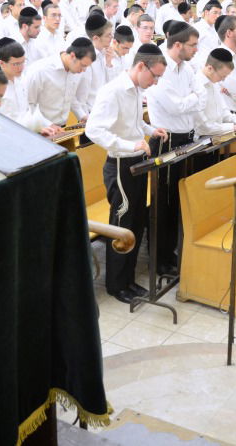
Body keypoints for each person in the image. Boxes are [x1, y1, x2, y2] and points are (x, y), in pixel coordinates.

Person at [85, 43, 168, 303]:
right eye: (154, 76)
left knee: (135, 221)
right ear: (141, 66)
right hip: (120, 166)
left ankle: (129, 279)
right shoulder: (113, 91)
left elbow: (131, 123)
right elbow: (94, 130)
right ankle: (116, 284)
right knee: (121, 224)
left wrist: (149, 130)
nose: (155, 83)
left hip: (136, 163)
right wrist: (129, 144)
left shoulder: (135, 89)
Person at [144, 21, 202, 276]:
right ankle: (159, 259)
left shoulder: (186, 68)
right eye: (192, 45)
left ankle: (171, 253)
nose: (196, 50)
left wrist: (190, 100)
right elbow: (175, 107)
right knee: (163, 203)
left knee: (177, 200)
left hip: (186, 137)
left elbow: (197, 96)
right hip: (166, 139)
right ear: (177, 45)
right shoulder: (161, 68)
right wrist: (192, 99)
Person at [25, 38, 96, 127]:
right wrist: (47, 125)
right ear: (72, 56)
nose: (84, 70)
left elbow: (70, 96)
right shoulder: (40, 70)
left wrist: (82, 116)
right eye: (83, 65)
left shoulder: (75, 70)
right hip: (40, 129)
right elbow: (29, 105)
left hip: (62, 127)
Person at [193, 48, 236, 138]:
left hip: (218, 136)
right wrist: (234, 127)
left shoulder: (214, 83)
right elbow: (203, 127)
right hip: (202, 141)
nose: (223, 79)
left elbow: (224, 112)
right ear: (210, 68)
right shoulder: (196, 86)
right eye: (222, 76)